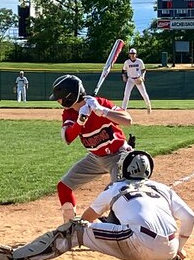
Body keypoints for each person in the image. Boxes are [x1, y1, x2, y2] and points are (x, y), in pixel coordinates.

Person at [0, 150, 194, 260]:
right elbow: (190, 217)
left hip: (137, 241)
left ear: (123, 169)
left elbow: (85, 220)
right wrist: (179, 247)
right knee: (146, 237)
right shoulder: (162, 188)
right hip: (170, 245)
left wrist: (96, 227)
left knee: (74, 229)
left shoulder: (116, 187)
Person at [49, 74, 134, 222]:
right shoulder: (69, 113)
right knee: (64, 186)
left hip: (118, 156)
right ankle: (70, 226)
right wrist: (80, 121)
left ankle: (120, 225)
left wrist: (103, 111)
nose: (58, 101)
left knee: (117, 194)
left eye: (60, 98)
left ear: (69, 97)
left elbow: (128, 120)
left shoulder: (100, 103)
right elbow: (67, 138)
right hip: (95, 158)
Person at [121, 47, 152, 113]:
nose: (132, 55)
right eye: (131, 54)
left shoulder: (139, 61)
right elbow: (123, 70)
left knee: (144, 94)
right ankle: (123, 109)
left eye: (133, 53)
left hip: (138, 79)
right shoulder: (127, 62)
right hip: (130, 79)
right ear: (129, 54)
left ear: (136, 54)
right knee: (126, 94)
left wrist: (142, 77)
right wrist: (124, 76)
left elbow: (143, 70)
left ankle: (148, 106)